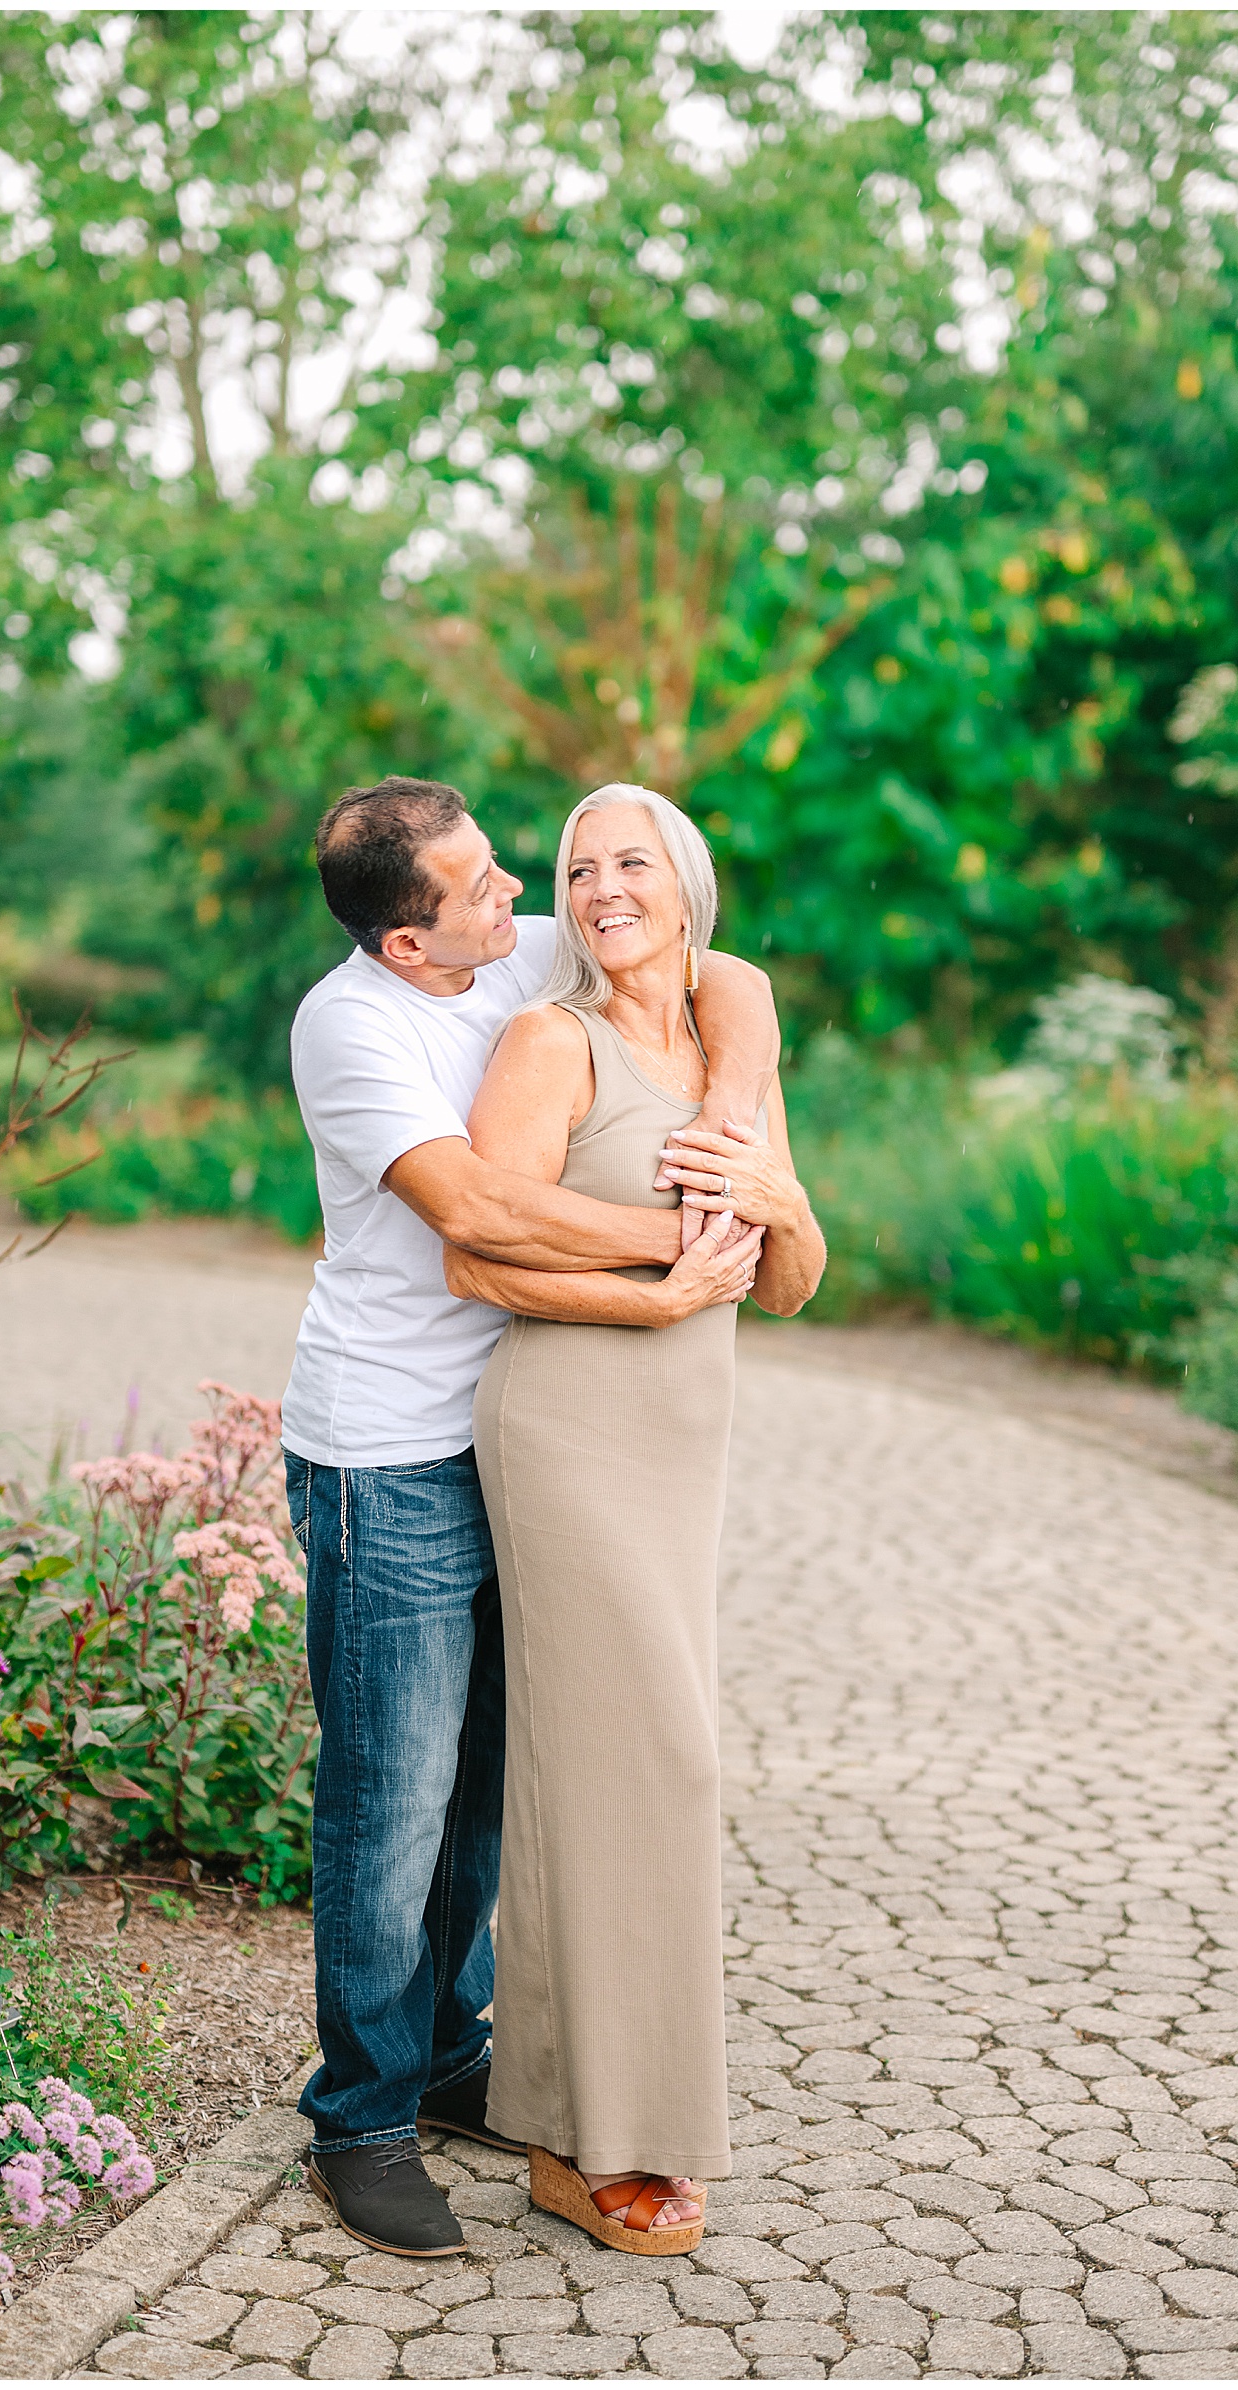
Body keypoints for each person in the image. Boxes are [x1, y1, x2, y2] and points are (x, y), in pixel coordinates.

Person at [279, 775, 780, 2257]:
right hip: (388, 1453)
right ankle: (360, 2114)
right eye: (484, 888)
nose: (524, 897)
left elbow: (718, 980)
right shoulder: (352, 1025)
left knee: (490, 1788)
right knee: (392, 1800)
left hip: (527, 1449)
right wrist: (688, 1238)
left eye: (515, 872)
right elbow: (481, 1218)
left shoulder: (509, 972)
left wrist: (739, 1112)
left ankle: (444, 2052)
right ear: (407, 942)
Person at [446, 782, 826, 2252]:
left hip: (688, 1449)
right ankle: (606, 2133)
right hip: (567, 1434)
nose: (604, 885)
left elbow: (790, 1280)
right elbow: (478, 1257)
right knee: (645, 1764)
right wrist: (653, 1286)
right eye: (579, 867)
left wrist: (774, 1191)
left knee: (612, 1772)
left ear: (687, 884)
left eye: (633, 860)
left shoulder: (732, 1051)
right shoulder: (554, 1041)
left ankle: (563, 2121)